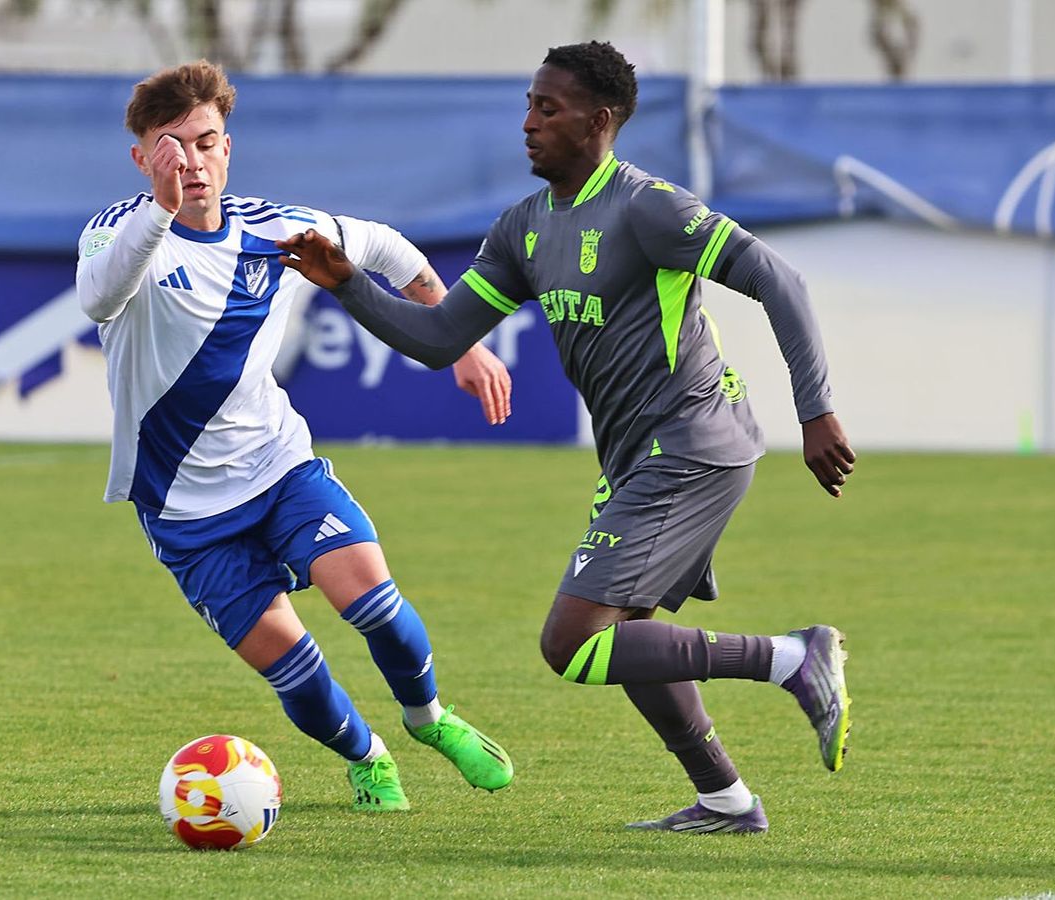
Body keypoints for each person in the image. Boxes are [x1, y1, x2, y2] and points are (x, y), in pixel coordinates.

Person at [278, 41, 855, 834]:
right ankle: (727, 800)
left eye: (548, 109)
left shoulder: (648, 208)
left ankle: (795, 658)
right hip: (637, 455)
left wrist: (815, 409)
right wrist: (348, 283)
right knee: (629, 633)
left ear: (600, 120)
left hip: (692, 441)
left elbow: (777, 280)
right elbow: (443, 337)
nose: (529, 124)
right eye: (528, 104)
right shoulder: (523, 229)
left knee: (572, 642)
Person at [75, 60, 515, 813]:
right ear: (142, 157)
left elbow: (388, 250)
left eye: (206, 142)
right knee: (297, 673)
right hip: (186, 514)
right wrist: (161, 206)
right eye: (171, 146)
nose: (193, 161)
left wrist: (462, 344)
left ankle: (428, 719)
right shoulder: (122, 230)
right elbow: (98, 297)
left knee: (378, 606)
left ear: (228, 145)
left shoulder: (275, 228)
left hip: (280, 469)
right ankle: (368, 757)